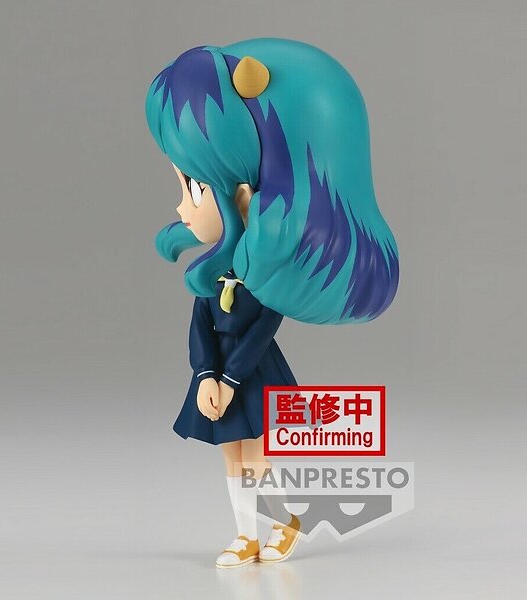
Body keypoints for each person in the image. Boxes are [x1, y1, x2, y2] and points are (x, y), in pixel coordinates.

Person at [145, 38, 399, 567]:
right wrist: (204, 374)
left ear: (241, 196)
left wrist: (228, 379)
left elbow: (260, 335)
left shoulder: (263, 281)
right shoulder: (215, 274)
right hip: (219, 377)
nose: (182, 206)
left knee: (258, 458)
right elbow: (199, 328)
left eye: (194, 188)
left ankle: (285, 523)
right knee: (232, 460)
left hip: (251, 375)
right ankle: (245, 536)